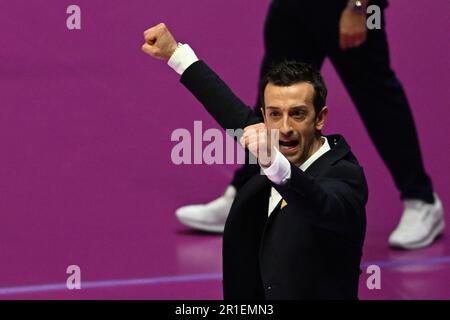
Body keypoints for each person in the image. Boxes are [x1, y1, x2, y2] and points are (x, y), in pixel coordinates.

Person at [174, 0, 445, 250]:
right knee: (272, 96)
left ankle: (421, 200)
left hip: (345, 7)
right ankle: (248, 195)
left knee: (377, 99)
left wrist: (360, 6)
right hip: (293, 6)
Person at [142, 23, 368, 299]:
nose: (284, 127)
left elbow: (318, 203)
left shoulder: (345, 176)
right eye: (274, 114)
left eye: (297, 114)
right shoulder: (272, 141)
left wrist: (273, 163)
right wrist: (175, 54)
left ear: (320, 117)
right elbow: (231, 111)